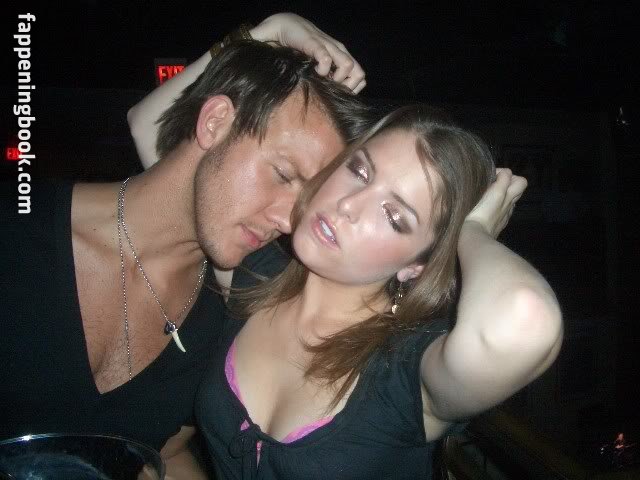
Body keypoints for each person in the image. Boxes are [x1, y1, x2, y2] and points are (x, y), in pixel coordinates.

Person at [0, 14, 374, 478]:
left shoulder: (224, 310)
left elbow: (168, 449)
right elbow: (146, 122)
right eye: (282, 174)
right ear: (215, 122)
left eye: (303, 207)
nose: (285, 222)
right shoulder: (17, 230)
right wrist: (268, 31)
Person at [191, 105, 564, 479]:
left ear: (417, 265)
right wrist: (277, 67)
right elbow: (178, 148)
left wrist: (474, 229)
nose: (348, 205)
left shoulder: (405, 367)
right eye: (359, 171)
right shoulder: (258, 272)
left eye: (394, 216)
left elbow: (526, 317)